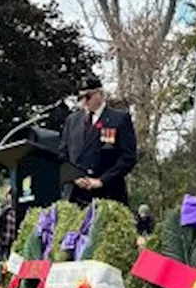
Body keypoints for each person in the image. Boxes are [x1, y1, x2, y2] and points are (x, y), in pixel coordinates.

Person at [59, 76, 138, 206]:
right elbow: (62, 155)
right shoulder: (72, 121)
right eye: (81, 97)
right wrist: (74, 177)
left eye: (88, 96)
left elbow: (128, 157)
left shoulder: (118, 119)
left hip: (108, 193)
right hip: (76, 195)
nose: (84, 101)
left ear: (100, 94)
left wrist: (102, 180)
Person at [0, 188, 17, 260]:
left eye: (11, 195)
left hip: (9, 244)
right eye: (8, 195)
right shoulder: (1, 207)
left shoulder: (13, 211)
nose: (10, 197)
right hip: (0, 243)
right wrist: (5, 209)